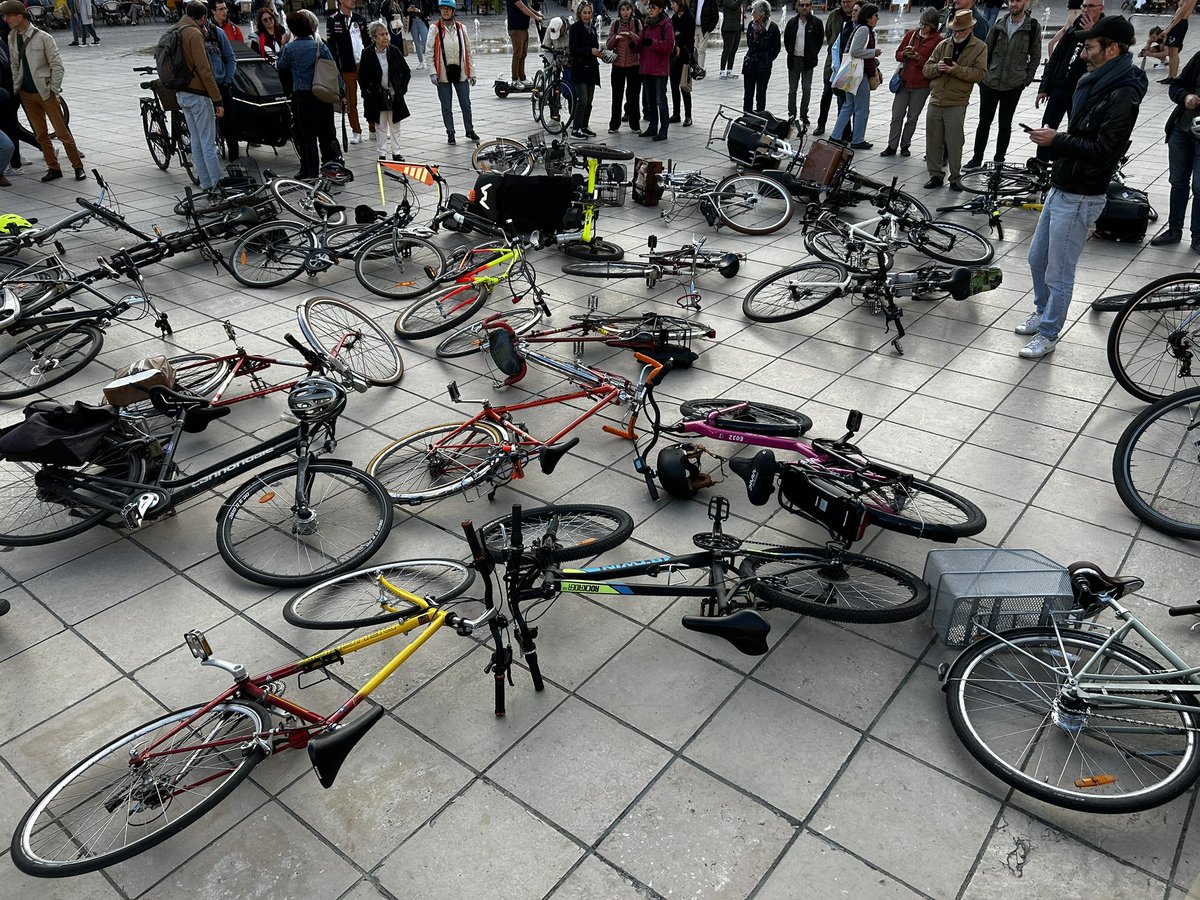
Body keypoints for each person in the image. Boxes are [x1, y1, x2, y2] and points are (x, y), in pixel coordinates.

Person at [1018, 15, 1146, 358]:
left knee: (1059, 270)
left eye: (1090, 46)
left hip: (1082, 194)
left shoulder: (1123, 93)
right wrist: (1058, 142)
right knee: (1036, 259)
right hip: (1063, 183)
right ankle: (1043, 311)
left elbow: (1106, 150)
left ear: (1112, 48)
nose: (1084, 51)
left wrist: (1058, 139)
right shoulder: (1097, 80)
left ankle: (1048, 332)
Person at [1, 0, 84, 182]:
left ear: (20, 16)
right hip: (26, 93)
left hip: (45, 92)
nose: (5, 19)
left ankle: (78, 166)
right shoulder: (12, 36)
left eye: (8, 15)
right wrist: (17, 85)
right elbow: (15, 64)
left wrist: (53, 89)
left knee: (62, 133)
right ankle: (53, 167)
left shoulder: (43, 37)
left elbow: (57, 66)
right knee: (40, 134)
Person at [965, 0, 1040, 169]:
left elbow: (1035, 56)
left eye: (1018, 1)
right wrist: (983, 76)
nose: (1013, 4)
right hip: (990, 81)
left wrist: (1026, 80)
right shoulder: (1000, 24)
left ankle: (999, 159)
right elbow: (986, 49)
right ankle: (977, 158)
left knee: (1005, 124)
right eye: (1012, 0)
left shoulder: (1032, 27)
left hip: (1013, 84)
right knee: (984, 122)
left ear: (1025, 3)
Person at [922, 8, 986, 189]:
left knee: (954, 142)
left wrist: (956, 70)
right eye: (955, 30)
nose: (957, 34)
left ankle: (955, 178)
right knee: (933, 140)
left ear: (970, 29)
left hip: (957, 102)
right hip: (936, 99)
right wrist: (939, 68)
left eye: (961, 31)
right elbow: (927, 69)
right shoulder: (943, 44)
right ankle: (935, 175)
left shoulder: (980, 47)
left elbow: (980, 74)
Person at [277, 10, 341, 178]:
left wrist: (283, 45)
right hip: (322, 93)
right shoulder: (319, 46)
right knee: (327, 133)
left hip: (302, 96)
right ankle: (331, 166)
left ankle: (310, 171)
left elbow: (281, 65)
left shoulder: (290, 48)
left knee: (307, 137)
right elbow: (333, 68)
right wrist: (341, 92)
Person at [1150, 47, 1200, 247]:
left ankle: (1197, 236)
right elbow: (1176, 86)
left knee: (1199, 187)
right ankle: (1174, 229)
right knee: (1178, 182)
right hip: (1182, 129)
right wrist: (1185, 97)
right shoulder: (1198, 58)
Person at [882, 6, 940, 157]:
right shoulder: (911, 35)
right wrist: (905, 54)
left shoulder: (938, 40)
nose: (922, 27)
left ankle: (905, 145)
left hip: (921, 85)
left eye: (926, 25)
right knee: (896, 116)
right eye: (921, 23)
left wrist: (918, 59)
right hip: (903, 82)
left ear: (933, 25)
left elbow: (934, 64)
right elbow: (898, 54)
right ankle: (891, 146)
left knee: (912, 118)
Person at [1038, 0, 1101, 139]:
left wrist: (1093, 32)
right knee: (1046, 126)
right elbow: (1055, 58)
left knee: (1077, 131)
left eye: (1091, 6)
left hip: (1082, 89)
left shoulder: (1104, 31)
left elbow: (1102, 59)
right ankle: (1041, 158)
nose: (1086, 10)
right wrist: (1044, 88)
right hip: (1059, 87)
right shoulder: (1073, 28)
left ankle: (1068, 159)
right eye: (1084, 6)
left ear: (1100, 8)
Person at [427, 0, 477, 144]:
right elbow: (429, 52)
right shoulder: (434, 28)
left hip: (460, 72)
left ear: (453, 11)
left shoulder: (461, 28)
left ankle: (469, 130)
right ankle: (450, 132)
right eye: (443, 9)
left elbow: (468, 51)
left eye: (448, 9)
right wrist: (432, 72)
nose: (445, 11)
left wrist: (472, 72)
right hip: (442, 73)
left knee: (466, 104)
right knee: (446, 106)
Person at [359, 20, 410, 161]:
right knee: (380, 125)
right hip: (377, 95)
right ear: (374, 37)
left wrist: (402, 89)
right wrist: (367, 93)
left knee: (395, 125)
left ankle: (396, 152)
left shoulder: (394, 51)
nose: (386, 37)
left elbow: (406, 71)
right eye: (381, 35)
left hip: (394, 94)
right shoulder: (367, 53)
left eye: (386, 33)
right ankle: (382, 153)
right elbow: (362, 77)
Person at [830, 3, 878, 147]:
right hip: (859, 74)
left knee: (849, 105)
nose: (877, 18)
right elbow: (855, 51)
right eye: (875, 15)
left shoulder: (859, 28)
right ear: (869, 17)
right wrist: (873, 53)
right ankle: (857, 139)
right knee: (862, 108)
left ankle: (835, 136)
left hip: (852, 73)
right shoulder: (864, 29)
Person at [328, 0, 371, 144]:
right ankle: (356, 130)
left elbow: (367, 41)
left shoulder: (359, 19)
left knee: (370, 96)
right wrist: (336, 68)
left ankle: (373, 128)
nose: (353, 1)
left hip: (363, 65)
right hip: (346, 67)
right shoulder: (333, 20)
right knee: (350, 102)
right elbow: (332, 47)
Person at [202, 7, 239, 162]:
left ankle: (233, 155)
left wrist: (227, 80)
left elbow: (230, 57)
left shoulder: (217, 32)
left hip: (221, 83)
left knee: (229, 120)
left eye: (225, 8)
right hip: (202, 87)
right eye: (220, 9)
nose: (225, 11)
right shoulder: (192, 34)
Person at [813, 0, 854, 135]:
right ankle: (821, 124)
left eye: (849, 1)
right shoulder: (834, 15)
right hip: (832, 60)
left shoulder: (858, 15)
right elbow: (829, 33)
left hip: (849, 62)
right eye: (843, 1)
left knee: (843, 96)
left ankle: (844, 130)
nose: (845, 4)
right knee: (826, 93)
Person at [783, 0, 822, 124]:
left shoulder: (816, 23)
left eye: (807, 5)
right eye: (801, 5)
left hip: (808, 61)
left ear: (810, 7)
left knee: (806, 89)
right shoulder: (792, 23)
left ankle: (804, 114)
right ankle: (792, 115)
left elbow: (819, 41)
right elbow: (787, 40)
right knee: (792, 90)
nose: (804, 8)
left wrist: (812, 54)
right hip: (794, 60)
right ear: (797, 7)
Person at [639, 0, 673, 139]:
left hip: (659, 69)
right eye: (649, 8)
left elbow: (669, 46)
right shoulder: (646, 24)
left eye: (653, 8)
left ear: (660, 9)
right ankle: (652, 127)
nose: (650, 10)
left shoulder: (666, 24)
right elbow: (641, 43)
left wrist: (653, 43)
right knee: (650, 100)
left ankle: (663, 129)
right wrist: (634, 45)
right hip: (647, 67)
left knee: (660, 100)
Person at [607, 0, 641, 133]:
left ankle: (635, 125)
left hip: (634, 65)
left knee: (634, 96)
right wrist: (616, 37)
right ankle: (614, 125)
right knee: (617, 96)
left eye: (627, 9)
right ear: (619, 11)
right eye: (623, 10)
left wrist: (631, 35)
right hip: (618, 65)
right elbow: (609, 45)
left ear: (631, 11)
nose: (625, 12)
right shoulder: (615, 24)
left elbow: (641, 42)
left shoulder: (637, 23)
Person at [569, 0, 602, 136]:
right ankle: (575, 128)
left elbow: (594, 46)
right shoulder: (575, 28)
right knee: (582, 100)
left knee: (589, 101)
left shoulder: (592, 28)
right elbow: (573, 49)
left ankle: (584, 125)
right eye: (584, 13)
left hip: (592, 68)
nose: (587, 16)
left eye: (589, 13)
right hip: (580, 68)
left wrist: (600, 53)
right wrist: (590, 51)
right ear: (579, 14)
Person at [741, 0, 779, 111]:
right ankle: (747, 116)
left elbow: (776, 49)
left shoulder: (772, 28)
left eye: (755, 11)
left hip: (764, 66)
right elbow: (749, 43)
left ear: (762, 13)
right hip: (750, 63)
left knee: (761, 95)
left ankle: (760, 118)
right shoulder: (751, 25)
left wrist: (767, 58)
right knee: (748, 94)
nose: (752, 13)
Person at [669, 0, 694, 125]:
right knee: (674, 86)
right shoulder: (674, 17)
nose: (672, 6)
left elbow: (688, 38)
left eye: (674, 3)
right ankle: (676, 113)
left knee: (684, 86)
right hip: (674, 57)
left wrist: (678, 36)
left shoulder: (689, 17)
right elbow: (671, 35)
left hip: (684, 56)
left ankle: (688, 116)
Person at [507, 0, 542, 82]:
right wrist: (536, 17)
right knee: (517, 54)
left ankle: (522, 77)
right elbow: (522, 8)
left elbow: (527, 6)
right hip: (516, 28)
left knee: (523, 54)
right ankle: (515, 79)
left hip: (523, 27)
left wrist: (538, 14)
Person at [1161, 0, 1196, 81]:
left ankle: (1173, 77)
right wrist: (1169, 27)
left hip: (1180, 23)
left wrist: (1168, 29)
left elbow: (1181, 14)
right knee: (1170, 51)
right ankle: (1170, 76)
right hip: (1175, 23)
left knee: (1174, 51)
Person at [717, 0, 741, 78]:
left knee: (734, 50)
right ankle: (722, 70)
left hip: (737, 28)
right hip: (728, 29)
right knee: (727, 50)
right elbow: (733, 6)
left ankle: (729, 70)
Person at [694, 0, 717, 75]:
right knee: (692, 49)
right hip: (693, 28)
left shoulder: (710, 1)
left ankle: (700, 69)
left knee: (701, 50)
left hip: (704, 29)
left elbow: (715, 16)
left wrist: (709, 29)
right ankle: (692, 67)